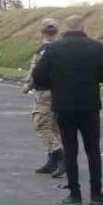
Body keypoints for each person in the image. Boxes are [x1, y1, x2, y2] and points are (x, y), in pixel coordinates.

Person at [31, 15, 103, 205]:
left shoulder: (53, 48)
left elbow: (38, 75)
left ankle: (74, 195)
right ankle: (96, 194)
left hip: (63, 105)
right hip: (89, 105)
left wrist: (55, 83)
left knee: (70, 150)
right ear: (83, 27)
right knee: (93, 150)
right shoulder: (96, 47)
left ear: (65, 29)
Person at [24, 18, 65, 177]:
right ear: (57, 31)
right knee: (54, 127)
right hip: (59, 91)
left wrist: (28, 85)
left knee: (41, 125)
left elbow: (36, 70)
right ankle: (52, 161)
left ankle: (60, 157)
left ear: (42, 32)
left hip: (44, 92)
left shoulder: (43, 49)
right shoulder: (63, 48)